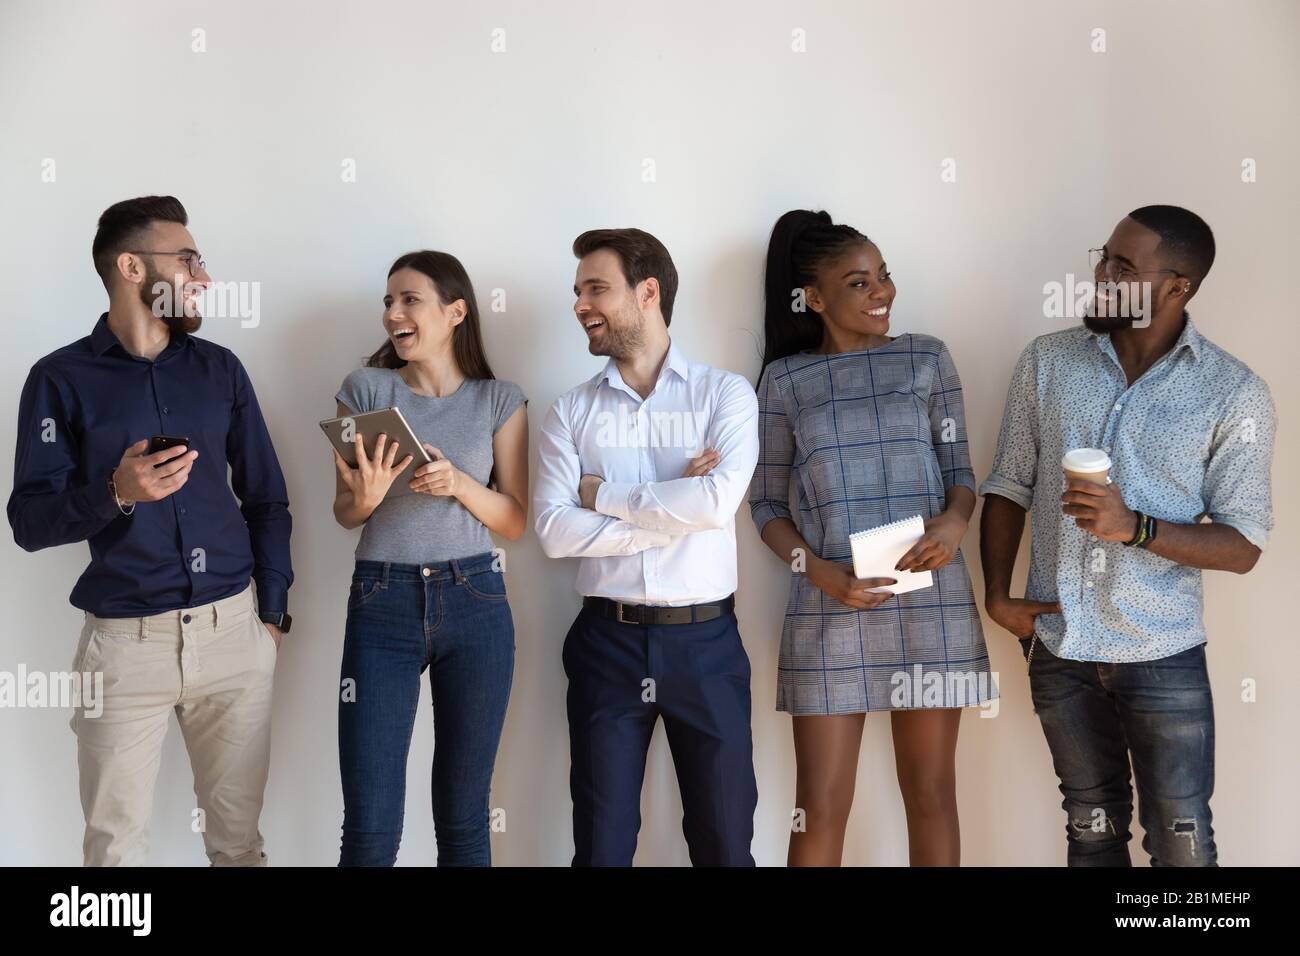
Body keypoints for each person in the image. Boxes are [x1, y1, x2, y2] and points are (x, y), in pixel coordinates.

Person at [979, 205, 1275, 866]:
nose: (1101, 276)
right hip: (1061, 647)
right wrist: (998, 596)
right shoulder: (1048, 362)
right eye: (1103, 258)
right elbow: (1007, 484)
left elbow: (1244, 545)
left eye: (1123, 267)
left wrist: (1134, 527)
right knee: (1090, 830)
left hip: (1162, 651)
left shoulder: (1234, 394)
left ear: (1176, 287)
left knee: (1180, 836)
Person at [7, 195, 293, 866]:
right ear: (133, 267)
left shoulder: (220, 369)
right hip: (125, 647)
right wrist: (115, 492)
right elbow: (28, 522)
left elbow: (268, 499)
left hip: (234, 639)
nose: (204, 277)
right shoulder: (58, 380)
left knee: (239, 846)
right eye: (188, 259)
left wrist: (272, 614)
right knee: (114, 850)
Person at [749, 209, 994, 866]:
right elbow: (766, 502)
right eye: (859, 283)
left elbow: (961, 477)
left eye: (883, 276)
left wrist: (952, 522)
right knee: (820, 803)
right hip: (831, 602)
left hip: (930, 597)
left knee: (931, 791)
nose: (882, 292)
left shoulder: (927, 358)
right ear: (815, 297)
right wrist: (819, 572)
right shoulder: (785, 380)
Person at [534, 228, 759, 866]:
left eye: (596, 288)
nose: (580, 303)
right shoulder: (569, 412)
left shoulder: (726, 395)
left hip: (707, 644)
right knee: (601, 849)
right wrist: (671, 507)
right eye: (577, 290)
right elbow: (553, 531)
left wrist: (601, 494)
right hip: (606, 643)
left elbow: (715, 505)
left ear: (647, 292)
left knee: (724, 845)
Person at [331, 250, 527, 866]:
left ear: (456, 312)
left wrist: (460, 484)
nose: (393, 313)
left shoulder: (501, 399)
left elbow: (515, 520)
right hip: (380, 600)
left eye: (409, 299)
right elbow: (344, 511)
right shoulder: (364, 389)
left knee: (465, 818)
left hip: (476, 601)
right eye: (388, 302)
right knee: (370, 823)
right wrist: (363, 498)